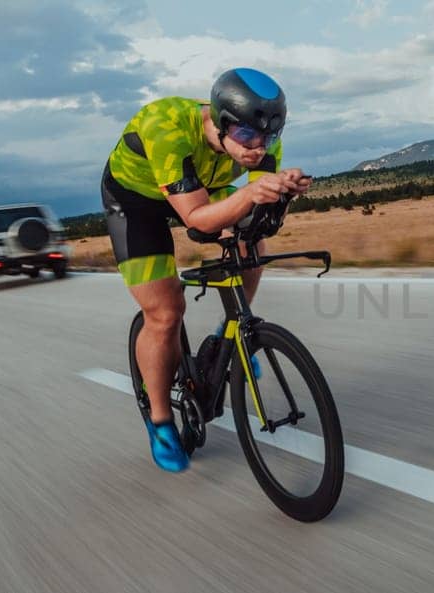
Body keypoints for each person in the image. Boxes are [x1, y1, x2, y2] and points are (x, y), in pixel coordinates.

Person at [101, 68, 312, 472]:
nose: (257, 149)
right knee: (165, 314)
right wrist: (249, 192)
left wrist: (281, 191)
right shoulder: (167, 127)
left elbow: (259, 212)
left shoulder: (263, 143)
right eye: (247, 137)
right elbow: (197, 220)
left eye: (268, 138)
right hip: (136, 203)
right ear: (220, 122)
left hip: (198, 186)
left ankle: (227, 339)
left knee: (251, 240)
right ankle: (161, 421)